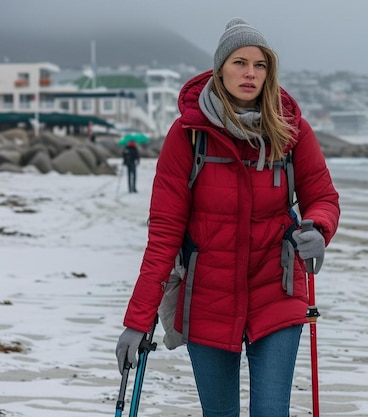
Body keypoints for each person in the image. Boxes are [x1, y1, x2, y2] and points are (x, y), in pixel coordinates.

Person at [115, 17, 340, 416]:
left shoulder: (291, 131)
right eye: (239, 62)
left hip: (278, 290)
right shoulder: (188, 135)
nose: (250, 73)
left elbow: (321, 196)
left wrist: (319, 227)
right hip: (207, 299)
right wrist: (138, 319)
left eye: (260, 64)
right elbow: (164, 235)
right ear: (219, 69)